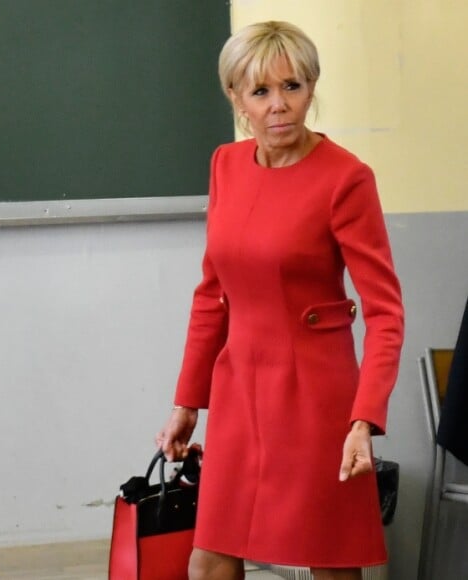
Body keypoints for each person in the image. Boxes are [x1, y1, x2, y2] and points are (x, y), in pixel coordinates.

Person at [156, 20, 405, 580]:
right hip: (239, 388)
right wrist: (187, 402)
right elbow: (211, 294)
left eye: (293, 87)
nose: (279, 106)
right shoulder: (225, 165)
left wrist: (364, 420)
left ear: (312, 89)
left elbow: (386, 314)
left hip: (319, 398)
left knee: (332, 557)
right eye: (261, 91)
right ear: (236, 98)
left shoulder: (346, 179)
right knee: (210, 557)